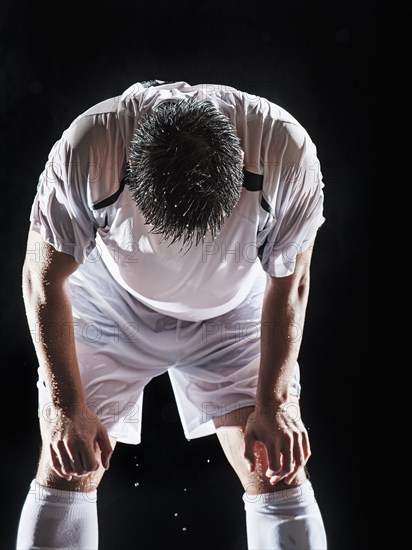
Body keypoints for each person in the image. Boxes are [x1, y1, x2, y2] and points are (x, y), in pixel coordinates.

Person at [16, 79, 328, 549]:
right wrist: (65, 409)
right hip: (111, 305)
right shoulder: (91, 145)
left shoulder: (284, 149)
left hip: (233, 311)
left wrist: (275, 402)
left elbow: (292, 281)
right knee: (69, 465)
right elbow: (41, 278)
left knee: (277, 465)